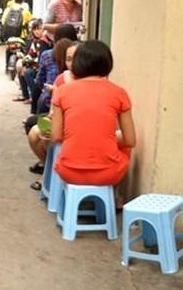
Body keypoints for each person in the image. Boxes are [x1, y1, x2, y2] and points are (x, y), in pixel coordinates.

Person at [51, 40, 136, 186]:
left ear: (77, 63)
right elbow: (130, 140)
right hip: (109, 174)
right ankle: (114, 197)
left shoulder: (62, 92)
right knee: (124, 149)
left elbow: (56, 136)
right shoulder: (119, 93)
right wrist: (104, 138)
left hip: (68, 171)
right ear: (108, 64)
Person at [28, 39, 78, 190]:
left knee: (48, 139)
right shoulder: (61, 79)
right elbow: (52, 112)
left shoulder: (94, 83)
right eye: (68, 59)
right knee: (35, 133)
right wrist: (50, 119)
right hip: (60, 124)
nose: (72, 63)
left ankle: (50, 174)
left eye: (76, 59)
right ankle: (49, 169)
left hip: (76, 128)